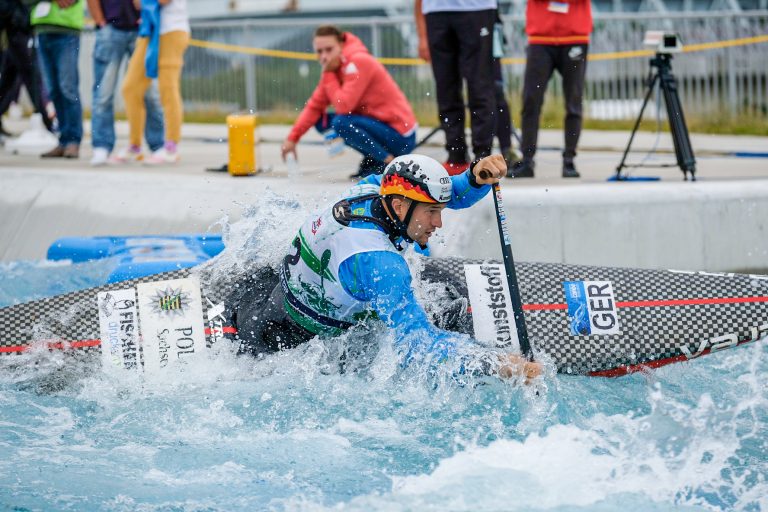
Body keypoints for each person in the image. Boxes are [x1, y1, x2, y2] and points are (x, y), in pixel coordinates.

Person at [233, 153, 542, 382]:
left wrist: (474, 177)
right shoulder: (381, 264)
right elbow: (418, 346)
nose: (438, 222)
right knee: (447, 304)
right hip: (292, 346)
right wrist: (496, 363)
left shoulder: (373, 189)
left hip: (272, 297)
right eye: (432, 212)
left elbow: (445, 193)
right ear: (399, 207)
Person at [281, 25, 418, 179]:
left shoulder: (358, 61)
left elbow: (344, 106)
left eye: (329, 49)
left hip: (401, 137)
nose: (324, 57)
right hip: (379, 128)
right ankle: (374, 159)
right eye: (319, 51)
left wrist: (328, 74)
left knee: (340, 122)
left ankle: (387, 163)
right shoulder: (334, 68)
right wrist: (292, 139)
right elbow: (314, 106)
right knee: (322, 121)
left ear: (341, 45)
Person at [509, 0, 592, 179]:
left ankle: (569, 160)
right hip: (540, 38)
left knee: (574, 101)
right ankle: (527, 160)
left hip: (574, 36)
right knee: (531, 100)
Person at [414, 0, 498, 175]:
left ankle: (482, 156)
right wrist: (422, 36)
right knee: (446, 89)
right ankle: (456, 155)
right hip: (436, 13)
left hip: (477, 10)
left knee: (479, 87)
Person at [87, 0, 165, 166]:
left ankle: (158, 145)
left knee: (150, 92)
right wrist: (100, 22)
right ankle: (102, 146)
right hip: (110, 28)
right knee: (103, 94)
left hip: (142, 29)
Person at [120, 0, 189, 165]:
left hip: (172, 30)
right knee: (130, 88)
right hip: (150, 30)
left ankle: (171, 147)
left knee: (168, 88)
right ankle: (135, 146)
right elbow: (137, 3)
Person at [30, 0, 85, 159]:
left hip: (67, 29)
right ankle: (63, 140)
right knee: (53, 90)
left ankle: (73, 140)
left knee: (68, 88)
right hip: (42, 30)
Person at [0, 0, 55, 139]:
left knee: (9, 79)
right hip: (15, 26)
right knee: (30, 76)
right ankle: (49, 124)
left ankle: (49, 123)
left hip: (16, 26)